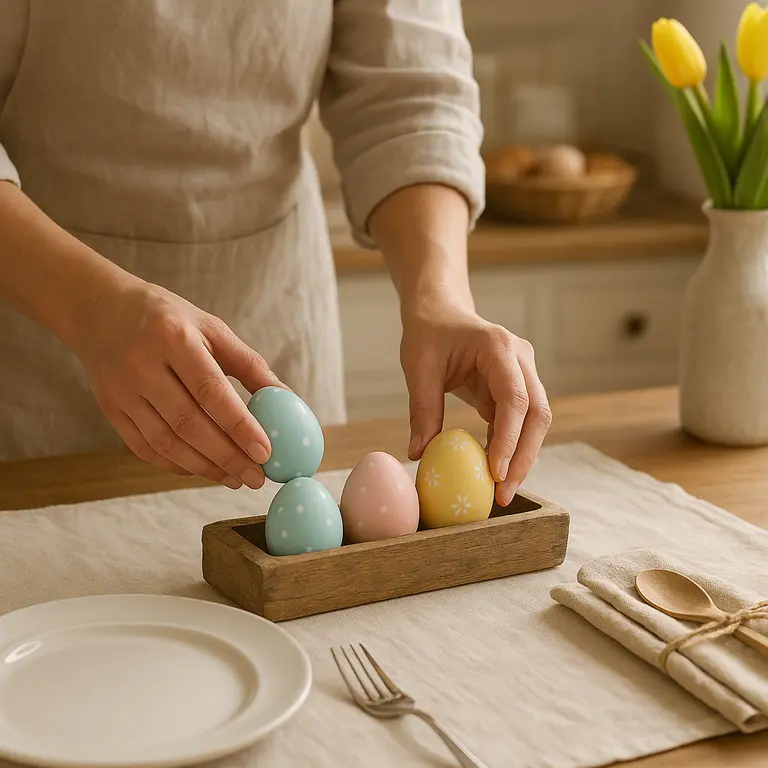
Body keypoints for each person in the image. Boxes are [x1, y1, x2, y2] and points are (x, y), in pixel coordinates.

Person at [0, 1, 551, 506]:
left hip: (274, 305)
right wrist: (90, 307)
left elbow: (410, 92)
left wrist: (440, 298)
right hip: (36, 319)